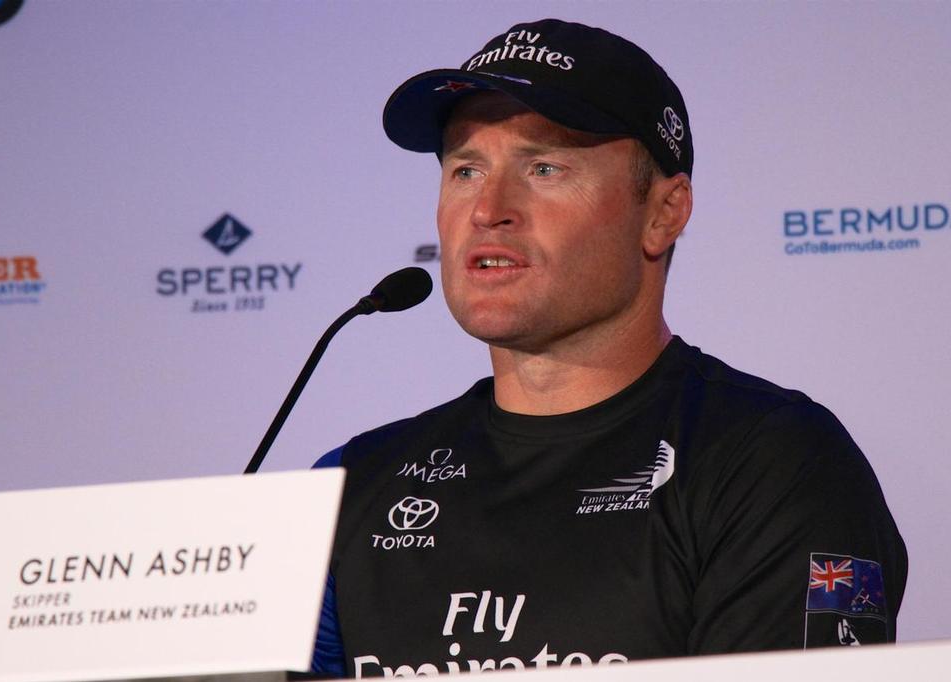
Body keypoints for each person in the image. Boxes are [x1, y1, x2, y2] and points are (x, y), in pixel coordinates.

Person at [311, 18, 907, 678]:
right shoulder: (352, 482)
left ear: (663, 213)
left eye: (544, 167)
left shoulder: (775, 463)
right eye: (466, 169)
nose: (489, 209)